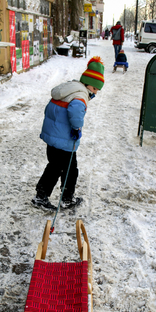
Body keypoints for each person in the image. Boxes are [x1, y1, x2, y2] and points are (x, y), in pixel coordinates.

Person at [32, 56, 105, 210]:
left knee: (65, 168)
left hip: (54, 136)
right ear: (88, 84)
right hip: (64, 139)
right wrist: (76, 128)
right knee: (60, 168)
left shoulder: (70, 89)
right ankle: (42, 197)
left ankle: (65, 197)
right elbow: (75, 111)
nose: (95, 93)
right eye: (94, 88)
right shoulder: (80, 95)